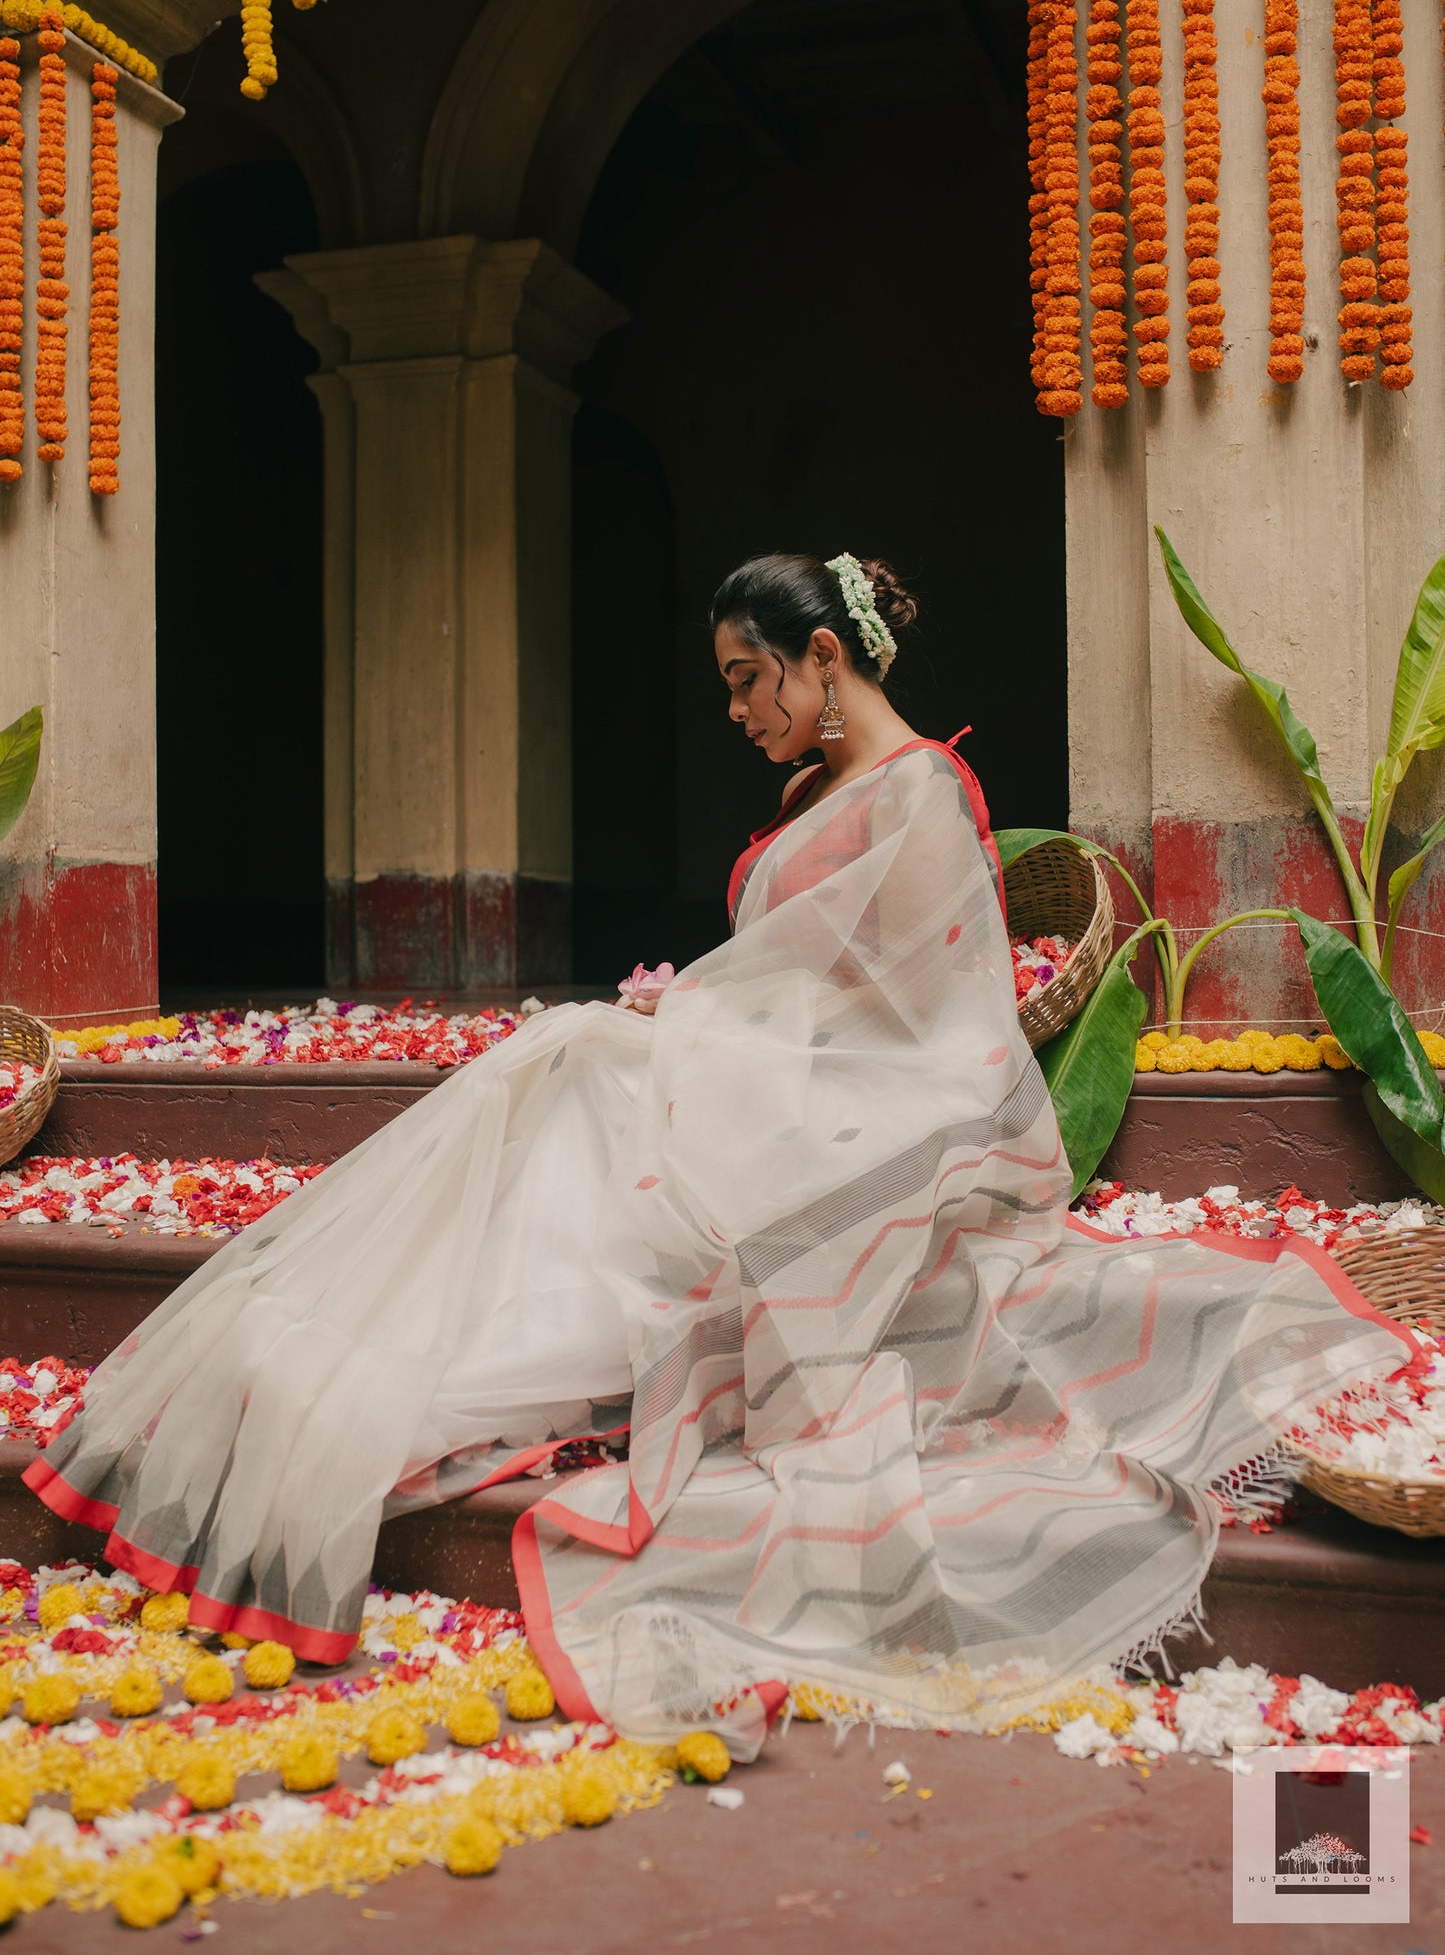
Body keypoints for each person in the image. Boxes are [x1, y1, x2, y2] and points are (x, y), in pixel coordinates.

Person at [27, 552, 1412, 1758]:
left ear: (825, 656)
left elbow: (929, 1036)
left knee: (566, 1058)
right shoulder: (827, 788)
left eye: (751, 680)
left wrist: (689, 1034)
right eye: (732, 689)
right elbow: (782, 986)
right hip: (763, 1097)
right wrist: (689, 1032)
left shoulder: (921, 790)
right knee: (559, 1061)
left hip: (866, 1126)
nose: (741, 712)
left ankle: (401, 1373)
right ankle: (361, 1359)